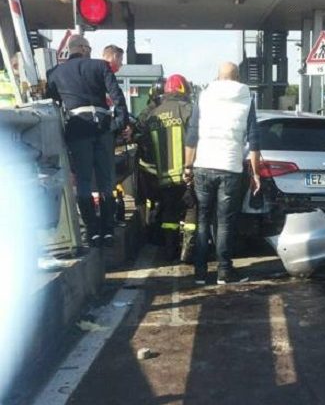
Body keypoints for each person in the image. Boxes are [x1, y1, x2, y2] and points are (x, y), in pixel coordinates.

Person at [46, 34, 129, 247]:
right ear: (83, 48)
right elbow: (117, 97)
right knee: (106, 181)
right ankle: (108, 230)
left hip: (77, 128)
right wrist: (119, 123)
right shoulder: (100, 66)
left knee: (83, 181)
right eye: (89, 48)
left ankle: (91, 230)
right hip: (101, 126)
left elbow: (53, 103)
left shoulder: (55, 73)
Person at [184, 62, 261, 285]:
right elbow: (254, 140)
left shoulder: (204, 96)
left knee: (202, 220)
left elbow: (192, 134)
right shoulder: (246, 98)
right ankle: (224, 272)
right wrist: (256, 174)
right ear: (237, 78)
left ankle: (199, 272)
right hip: (230, 168)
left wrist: (188, 167)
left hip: (203, 166)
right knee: (225, 223)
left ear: (217, 77)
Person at [135, 74, 196, 261]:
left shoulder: (153, 115)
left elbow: (143, 143)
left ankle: (170, 250)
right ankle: (189, 250)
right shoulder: (189, 110)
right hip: (187, 175)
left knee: (169, 212)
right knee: (191, 211)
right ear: (184, 89)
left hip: (163, 177)